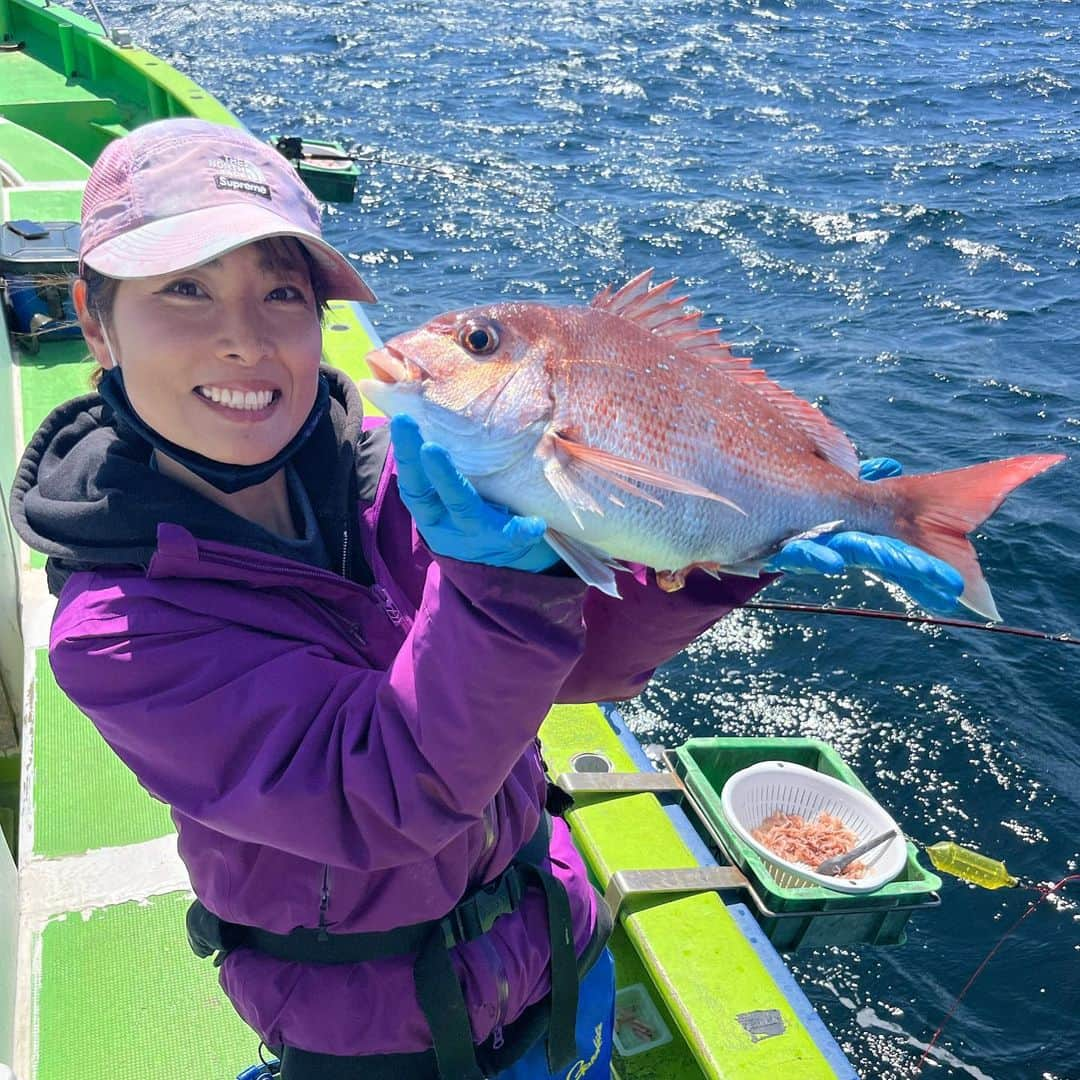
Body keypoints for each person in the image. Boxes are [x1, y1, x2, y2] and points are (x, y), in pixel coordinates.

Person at [8, 118, 962, 1080]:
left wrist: (717, 557)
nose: (244, 338)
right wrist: (506, 585)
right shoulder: (120, 632)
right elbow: (384, 799)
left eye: (283, 293)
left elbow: (580, 663)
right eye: (184, 290)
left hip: (552, 928)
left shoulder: (394, 472)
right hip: (374, 1033)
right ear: (94, 318)